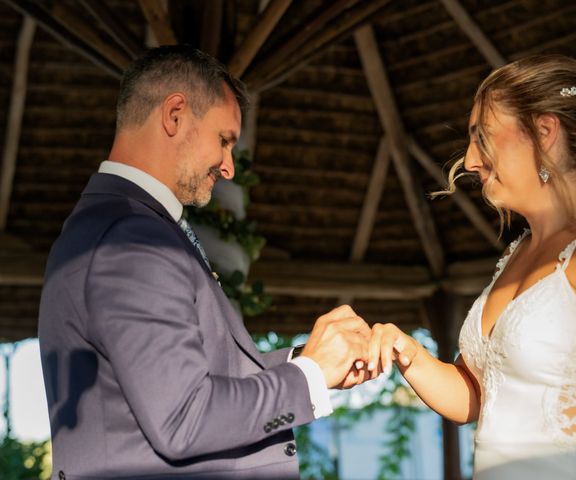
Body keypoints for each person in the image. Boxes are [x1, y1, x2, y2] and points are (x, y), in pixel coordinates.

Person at [38, 45, 371, 479]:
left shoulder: (126, 225)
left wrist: (310, 359)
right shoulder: (131, 238)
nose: (230, 167)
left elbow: (193, 379)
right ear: (175, 115)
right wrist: (309, 377)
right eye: (224, 140)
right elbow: (183, 419)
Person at [368, 54, 576, 479]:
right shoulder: (519, 251)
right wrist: (408, 353)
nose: (471, 161)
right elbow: (478, 395)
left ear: (545, 132)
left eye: (482, 137)